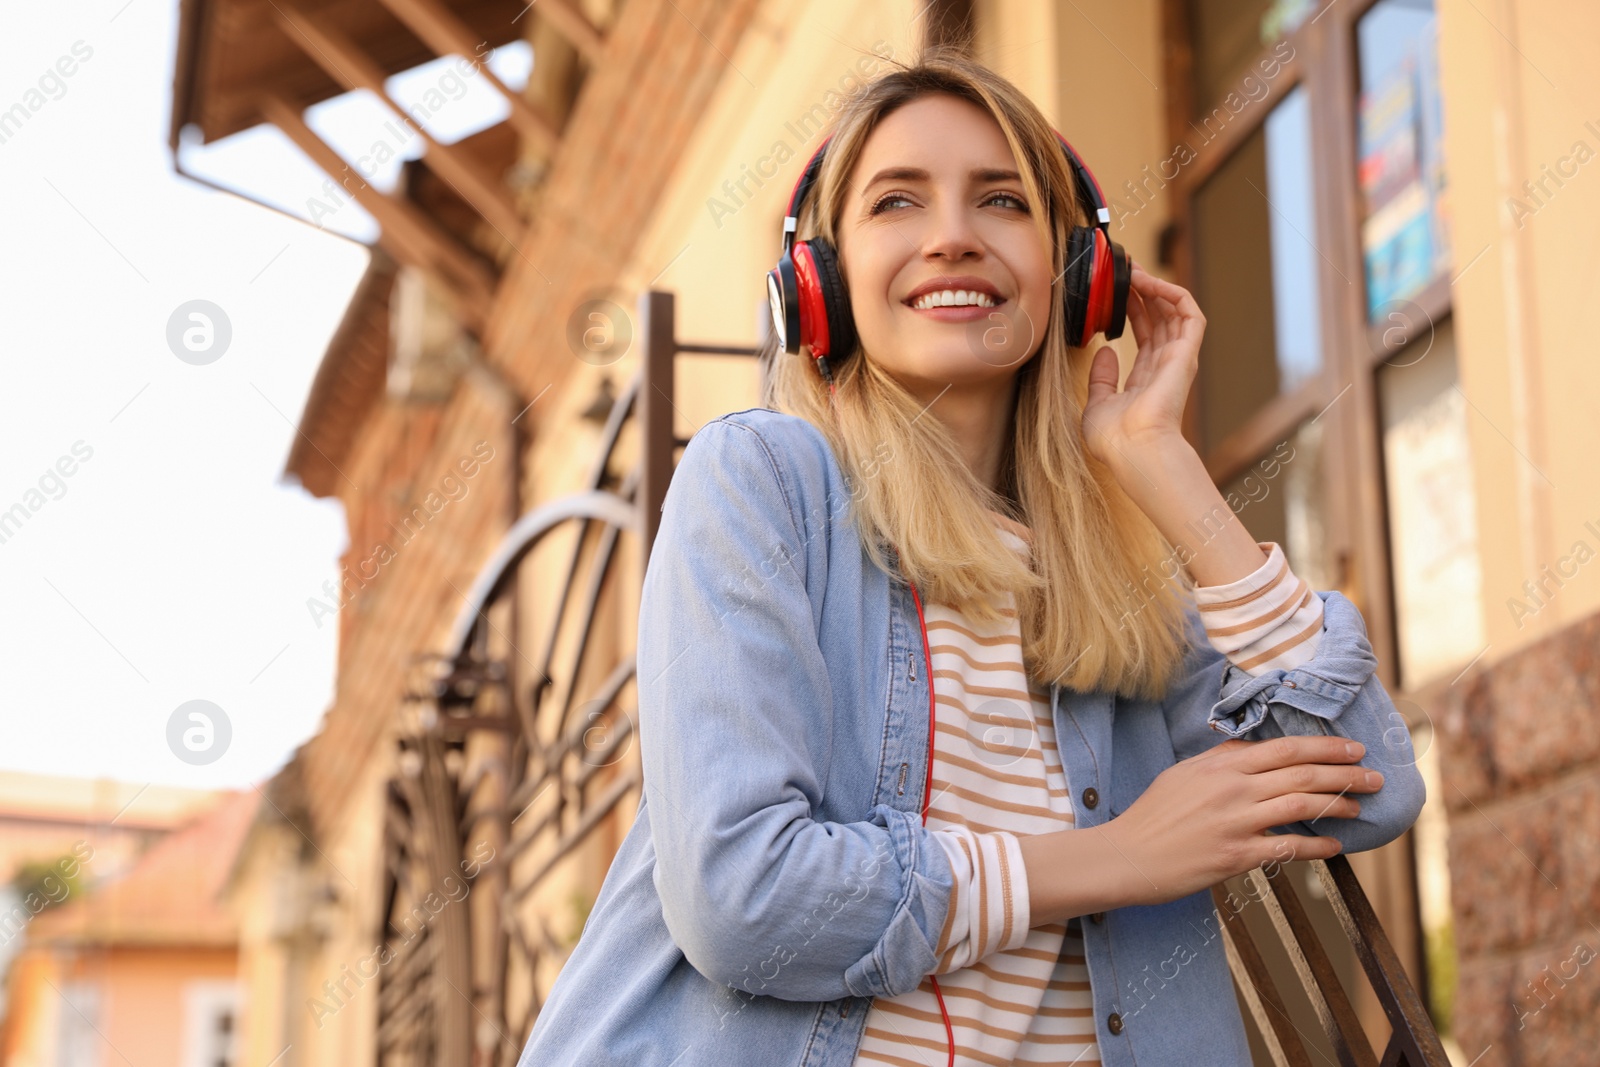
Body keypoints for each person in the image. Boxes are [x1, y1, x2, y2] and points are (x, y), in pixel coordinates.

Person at [515, 45, 1424, 1067]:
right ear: (818, 282)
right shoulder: (763, 480)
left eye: (999, 201)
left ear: (1076, 275)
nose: (951, 237)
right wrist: (1113, 856)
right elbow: (743, 896)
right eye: (896, 202)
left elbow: (1370, 791)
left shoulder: (1111, 584)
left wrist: (1163, 466)